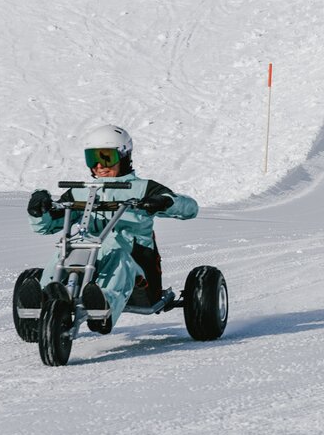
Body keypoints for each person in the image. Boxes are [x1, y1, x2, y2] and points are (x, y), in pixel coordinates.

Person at [22, 124, 198, 335]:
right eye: (92, 159)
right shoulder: (81, 193)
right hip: (91, 257)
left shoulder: (143, 188)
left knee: (119, 257)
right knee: (65, 251)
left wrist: (165, 202)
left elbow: (190, 209)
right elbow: (47, 226)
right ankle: (42, 302)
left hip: (136, 263)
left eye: (106, 157)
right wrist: (38, 211)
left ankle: (104, 309)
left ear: (123, 156)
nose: (99, 166)